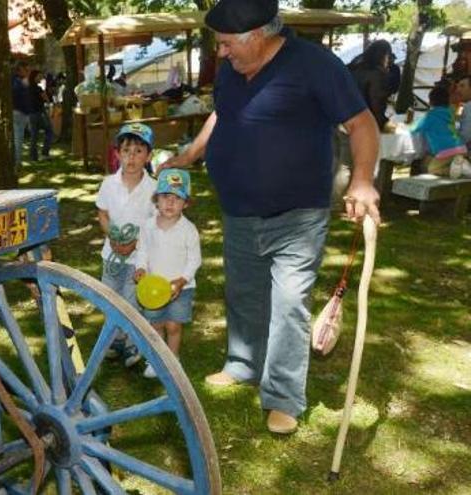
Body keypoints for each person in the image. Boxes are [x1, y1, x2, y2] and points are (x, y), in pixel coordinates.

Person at [159, 0, 380, 435]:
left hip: (297, 215)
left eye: (225, 45)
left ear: (256, 36)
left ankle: (282, 397)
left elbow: (362, 124)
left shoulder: (315, 64)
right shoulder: (231, 71)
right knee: (244, 293)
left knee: (288, 305)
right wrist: (189, 154)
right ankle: (243, 363)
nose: (220, 53)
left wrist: (362, 181)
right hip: (239, 209)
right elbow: (222, 114)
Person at [96, 123, 158, 367]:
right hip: (110, 256)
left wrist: (135, 243)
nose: (131, 157)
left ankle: (133, 342)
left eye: (138, 151)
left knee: (132, 302)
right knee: (110, 298)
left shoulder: (153, 189)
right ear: (117, 154)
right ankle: (115, 339)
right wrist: (111, 234)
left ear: (149, 155)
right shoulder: (108, 183)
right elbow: (102, 213)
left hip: (138, 259)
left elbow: (154, 225)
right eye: (126, 151)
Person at [133, 169, 201, 378]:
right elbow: (142, 250)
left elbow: (194, 260)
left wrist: (182, 280)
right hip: (154, 288)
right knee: (156, 325)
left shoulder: (188, 230)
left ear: (185, 204)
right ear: (156, 201)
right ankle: (156, 361)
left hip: (182, 288)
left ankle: (173, 360)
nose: (170, 203)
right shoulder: (148, 226)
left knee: (173, 326)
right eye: (165, 197)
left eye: (176, 198)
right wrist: (140, 268)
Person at [410, 84, 471, 178]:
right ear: (448, 101)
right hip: (461, 147)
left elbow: (414, 128)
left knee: (432, 168)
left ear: (430, 102)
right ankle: (461, 166)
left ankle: (459, 169)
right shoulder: (450, 113)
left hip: (444, 151)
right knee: (448, 163)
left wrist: (403, 126)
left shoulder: (430, 116)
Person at [348, 40, 393, 130]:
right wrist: (383, 123)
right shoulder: (376, 74)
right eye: (388, 56)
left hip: (346, 120)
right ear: (383, 56)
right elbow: (376, 102)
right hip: (365, 124)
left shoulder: (355, 68)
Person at [28, 70, 54, 161]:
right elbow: (46, 98)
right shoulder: (38, 88)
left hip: (30, 113)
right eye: (39, 76)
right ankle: (45, 152)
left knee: (34, 135)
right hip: (39, 112)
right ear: (34, 77)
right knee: (49, 131)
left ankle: (33, 156)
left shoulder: (28, 87)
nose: (41, 78)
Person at [12, 60, 34, 166]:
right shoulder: (17, 81)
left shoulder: (18, 80)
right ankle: (16, 161)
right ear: (20, 69)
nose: (28, 72)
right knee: (18, 138)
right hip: (19, 112)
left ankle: (16, 160)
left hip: (21, 112)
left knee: (18, 137)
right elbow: (19, 95)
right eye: (26, 70)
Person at [455, 74, 471, 147]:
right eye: (457, 86)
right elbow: (457, 124)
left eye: (462, 86)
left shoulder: (466, 107)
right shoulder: (461, 107)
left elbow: (466, 135)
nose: (458, 90)